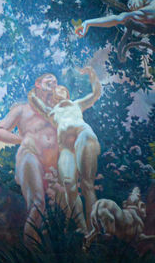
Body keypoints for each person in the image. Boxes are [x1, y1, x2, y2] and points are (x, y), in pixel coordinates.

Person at [29, 67, 103, 234]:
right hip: (66, 148)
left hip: (83, 135)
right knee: (68, 183)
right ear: (53, 96)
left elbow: (96, 93)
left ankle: (94, 229)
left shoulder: (76, 104)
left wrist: (92, 74)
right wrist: (38, 88)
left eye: (63, 89)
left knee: (87, 184)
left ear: (68, 94)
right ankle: (83, 229)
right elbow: (34, 100)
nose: (59, 91)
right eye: (57, 90)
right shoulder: (51, 112)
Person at [0, 74, 62, 240]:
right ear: (37, 84)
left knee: (57, 208)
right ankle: (30, 247)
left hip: (52, 165)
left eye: (55, 81)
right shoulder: (22, 109)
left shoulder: (57, 110)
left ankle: (39, 246)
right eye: (48, 80)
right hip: (30, 156)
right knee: (38, 203)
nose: (53, 82)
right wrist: (23, 139)